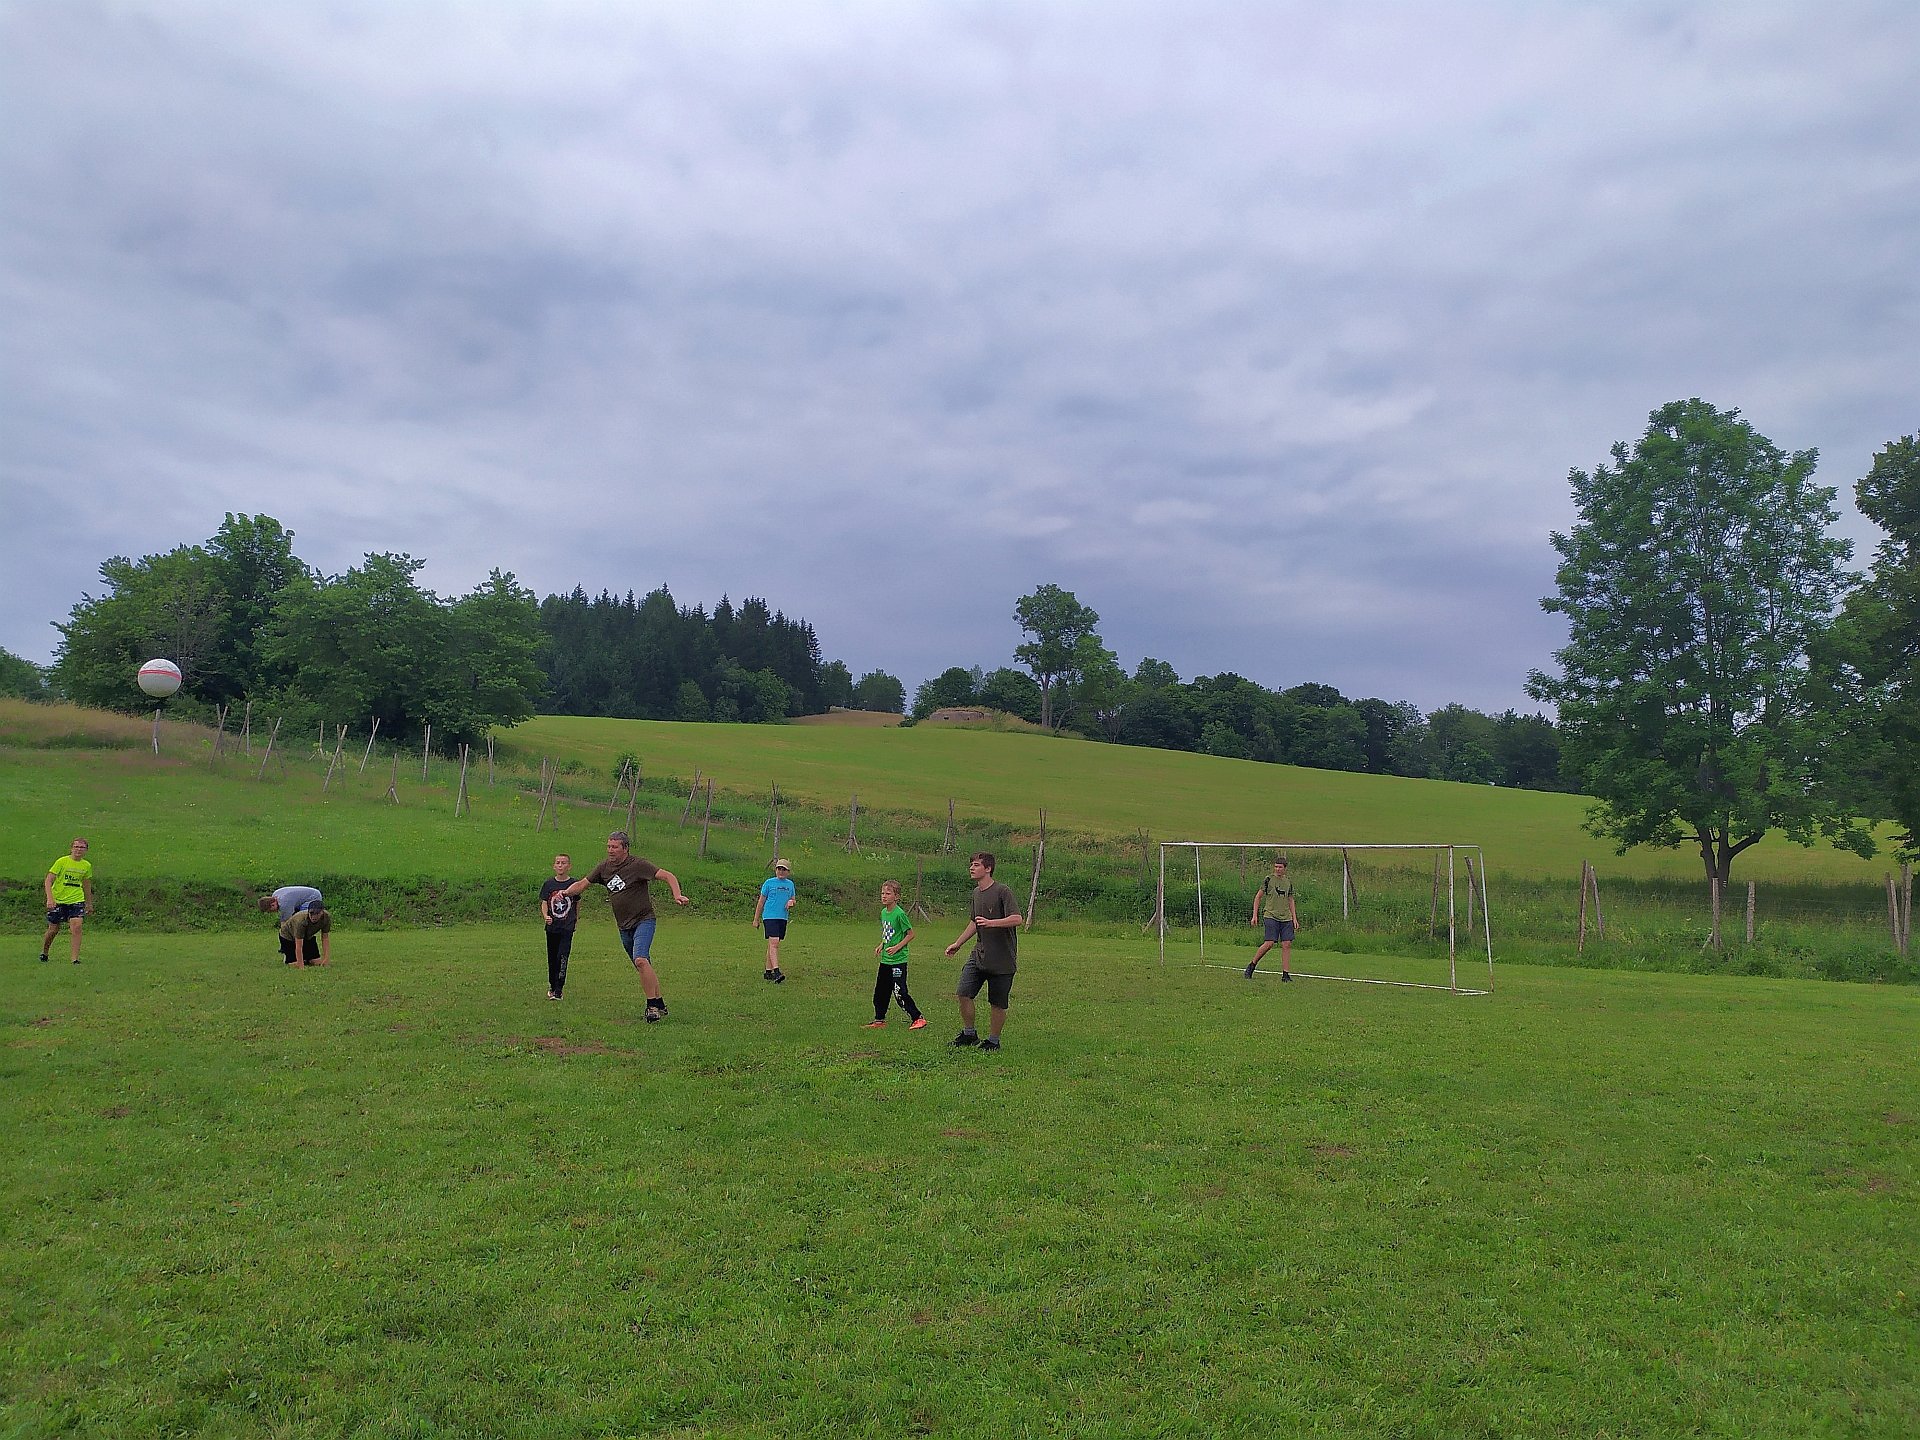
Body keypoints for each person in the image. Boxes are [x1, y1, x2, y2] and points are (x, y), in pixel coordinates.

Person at [555, 831, 691, 1022]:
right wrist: (565, 893)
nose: (610, 850)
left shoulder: (638, 865)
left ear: (625, 848)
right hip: (623, 926)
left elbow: (667, 875)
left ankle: (652, 1007)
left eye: (615, 847)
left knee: (640, 960)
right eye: (608, 846)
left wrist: (677, 894)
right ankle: (659, 1002)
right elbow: (582, 884)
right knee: (643, 965)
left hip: (644, 921)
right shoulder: (603, 868)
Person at [944, 851, 1022, 1052]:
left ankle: (993, 1041)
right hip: (979, 955)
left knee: (997, 1003)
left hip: (1002, 959)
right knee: (963, 992)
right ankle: (969, 1034)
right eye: (971, 864)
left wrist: (991, 923)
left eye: (976, 865)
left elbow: (1017, 919)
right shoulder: (976, 893)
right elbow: (974, 922)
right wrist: (958, 943)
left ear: (988, 868)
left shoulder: (1002, 891)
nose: (971, 868)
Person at [867, 879, 926, 1029]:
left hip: (898, 961)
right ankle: (879, 1020)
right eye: (882, 893)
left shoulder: (900, 914)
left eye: (888, 893)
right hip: (885, 960)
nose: (884, 896)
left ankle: (918, 1018)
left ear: (896, 896)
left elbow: (911, 934)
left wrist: (897, 947)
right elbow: (888, 934)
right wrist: (882, 945)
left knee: (899, 992)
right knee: (880, 991)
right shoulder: (884, 913)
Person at [41, 838, 94, 964]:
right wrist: (50, 898)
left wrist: (89, 903)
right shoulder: (62, 862)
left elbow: (86, 885)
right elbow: (48, 880)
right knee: (53, 929)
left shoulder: (86, 865)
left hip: (76, 899)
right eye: (76, 847)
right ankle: (45, 952)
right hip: (59, 900)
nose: (78, 850)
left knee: (77, 927)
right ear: (71, 848)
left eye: (82, 847)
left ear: (86, 850)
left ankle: (74, 959)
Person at [1245, 855, 1298, 980]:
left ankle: (1285, 974)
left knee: (1286, 944)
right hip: (1271, 915)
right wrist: (1254, 915)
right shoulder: (1268, 879)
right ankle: (1252, 965)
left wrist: (1294, 918)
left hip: (1286, 917)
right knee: (1269, 943)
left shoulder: (1288, 882)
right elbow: (1258, 897)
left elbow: (1290, 899)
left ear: (1285, 868)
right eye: (1276, 867)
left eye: (1280, 867)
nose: (1278, 869)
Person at [539, 853, 579, 1000]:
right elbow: (544, 902)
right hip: (552, 927)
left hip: (566, 927)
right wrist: (546, 916)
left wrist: (576, 920)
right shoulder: (549, 884)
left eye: (563, 863)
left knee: (562, 957)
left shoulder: (574, 884)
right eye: (558, 863)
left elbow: (577, 903)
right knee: (552, 958)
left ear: (569, 866)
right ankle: (552, 985)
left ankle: (559, 989)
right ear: (554, 866)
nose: (560, 865)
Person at [752, 859, 797, 982]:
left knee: (772, 944)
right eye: (779, 869)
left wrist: (791, 902)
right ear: (775, 870)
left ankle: (768, 972)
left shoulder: (790, 884)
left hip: (782, 917)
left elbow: (793, 899)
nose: (781, 871)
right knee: (774, 943)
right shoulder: (769, 883)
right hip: (770, 916)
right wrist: (756, 919)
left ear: (788, 872)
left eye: (784, 869)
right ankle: (777, 972)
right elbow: (761, 902)